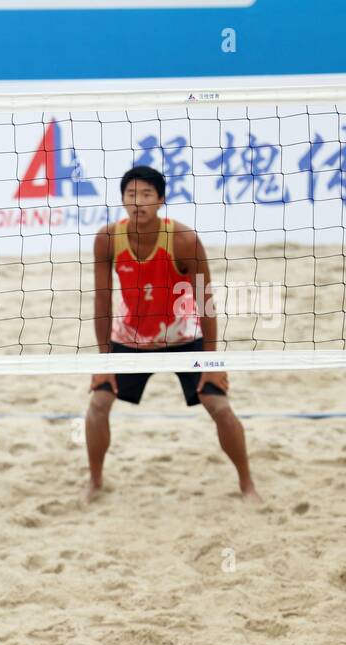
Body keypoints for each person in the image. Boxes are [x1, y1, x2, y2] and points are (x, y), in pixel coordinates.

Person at [84, 165, 260, 503]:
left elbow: (205, 300)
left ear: (161, 200)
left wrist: (212, 362)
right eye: (131, 195)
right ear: (122, 200)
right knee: (98, 403)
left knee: (218, 404)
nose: (138, 203)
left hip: (182, 337)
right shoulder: (107, 239)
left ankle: (247, 484)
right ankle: (94, 481)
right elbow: (103, 301)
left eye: (147, 195)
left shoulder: (184, 240)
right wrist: (103, 359)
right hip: (130, 338)